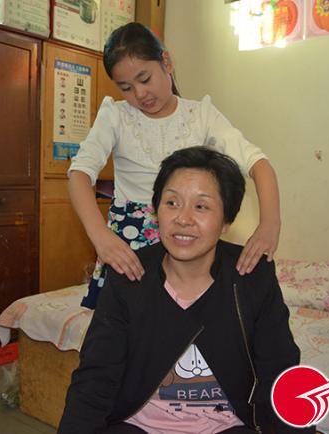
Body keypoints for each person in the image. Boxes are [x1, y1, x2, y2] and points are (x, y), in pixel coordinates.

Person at [58, 146, 311, 434]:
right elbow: (95, 378)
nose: (183, 218)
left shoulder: (251, 276)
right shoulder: (129, 275)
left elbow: (281, 374)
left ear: (227, 221)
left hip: (225, 428)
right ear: (156, 211)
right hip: (138, 427)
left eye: (201, 207)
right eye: (172, 203)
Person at [68, 22, 281, 308]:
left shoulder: (200, 115)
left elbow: (258, 164)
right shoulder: (115, 116)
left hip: (186, 235)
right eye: (126, 87)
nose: (139, 94)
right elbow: (79, 174)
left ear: (166, 62)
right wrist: (101, 237)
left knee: (189, 316)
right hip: (130, 241)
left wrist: (269, 225)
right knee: (129, 321)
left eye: (145, 79)